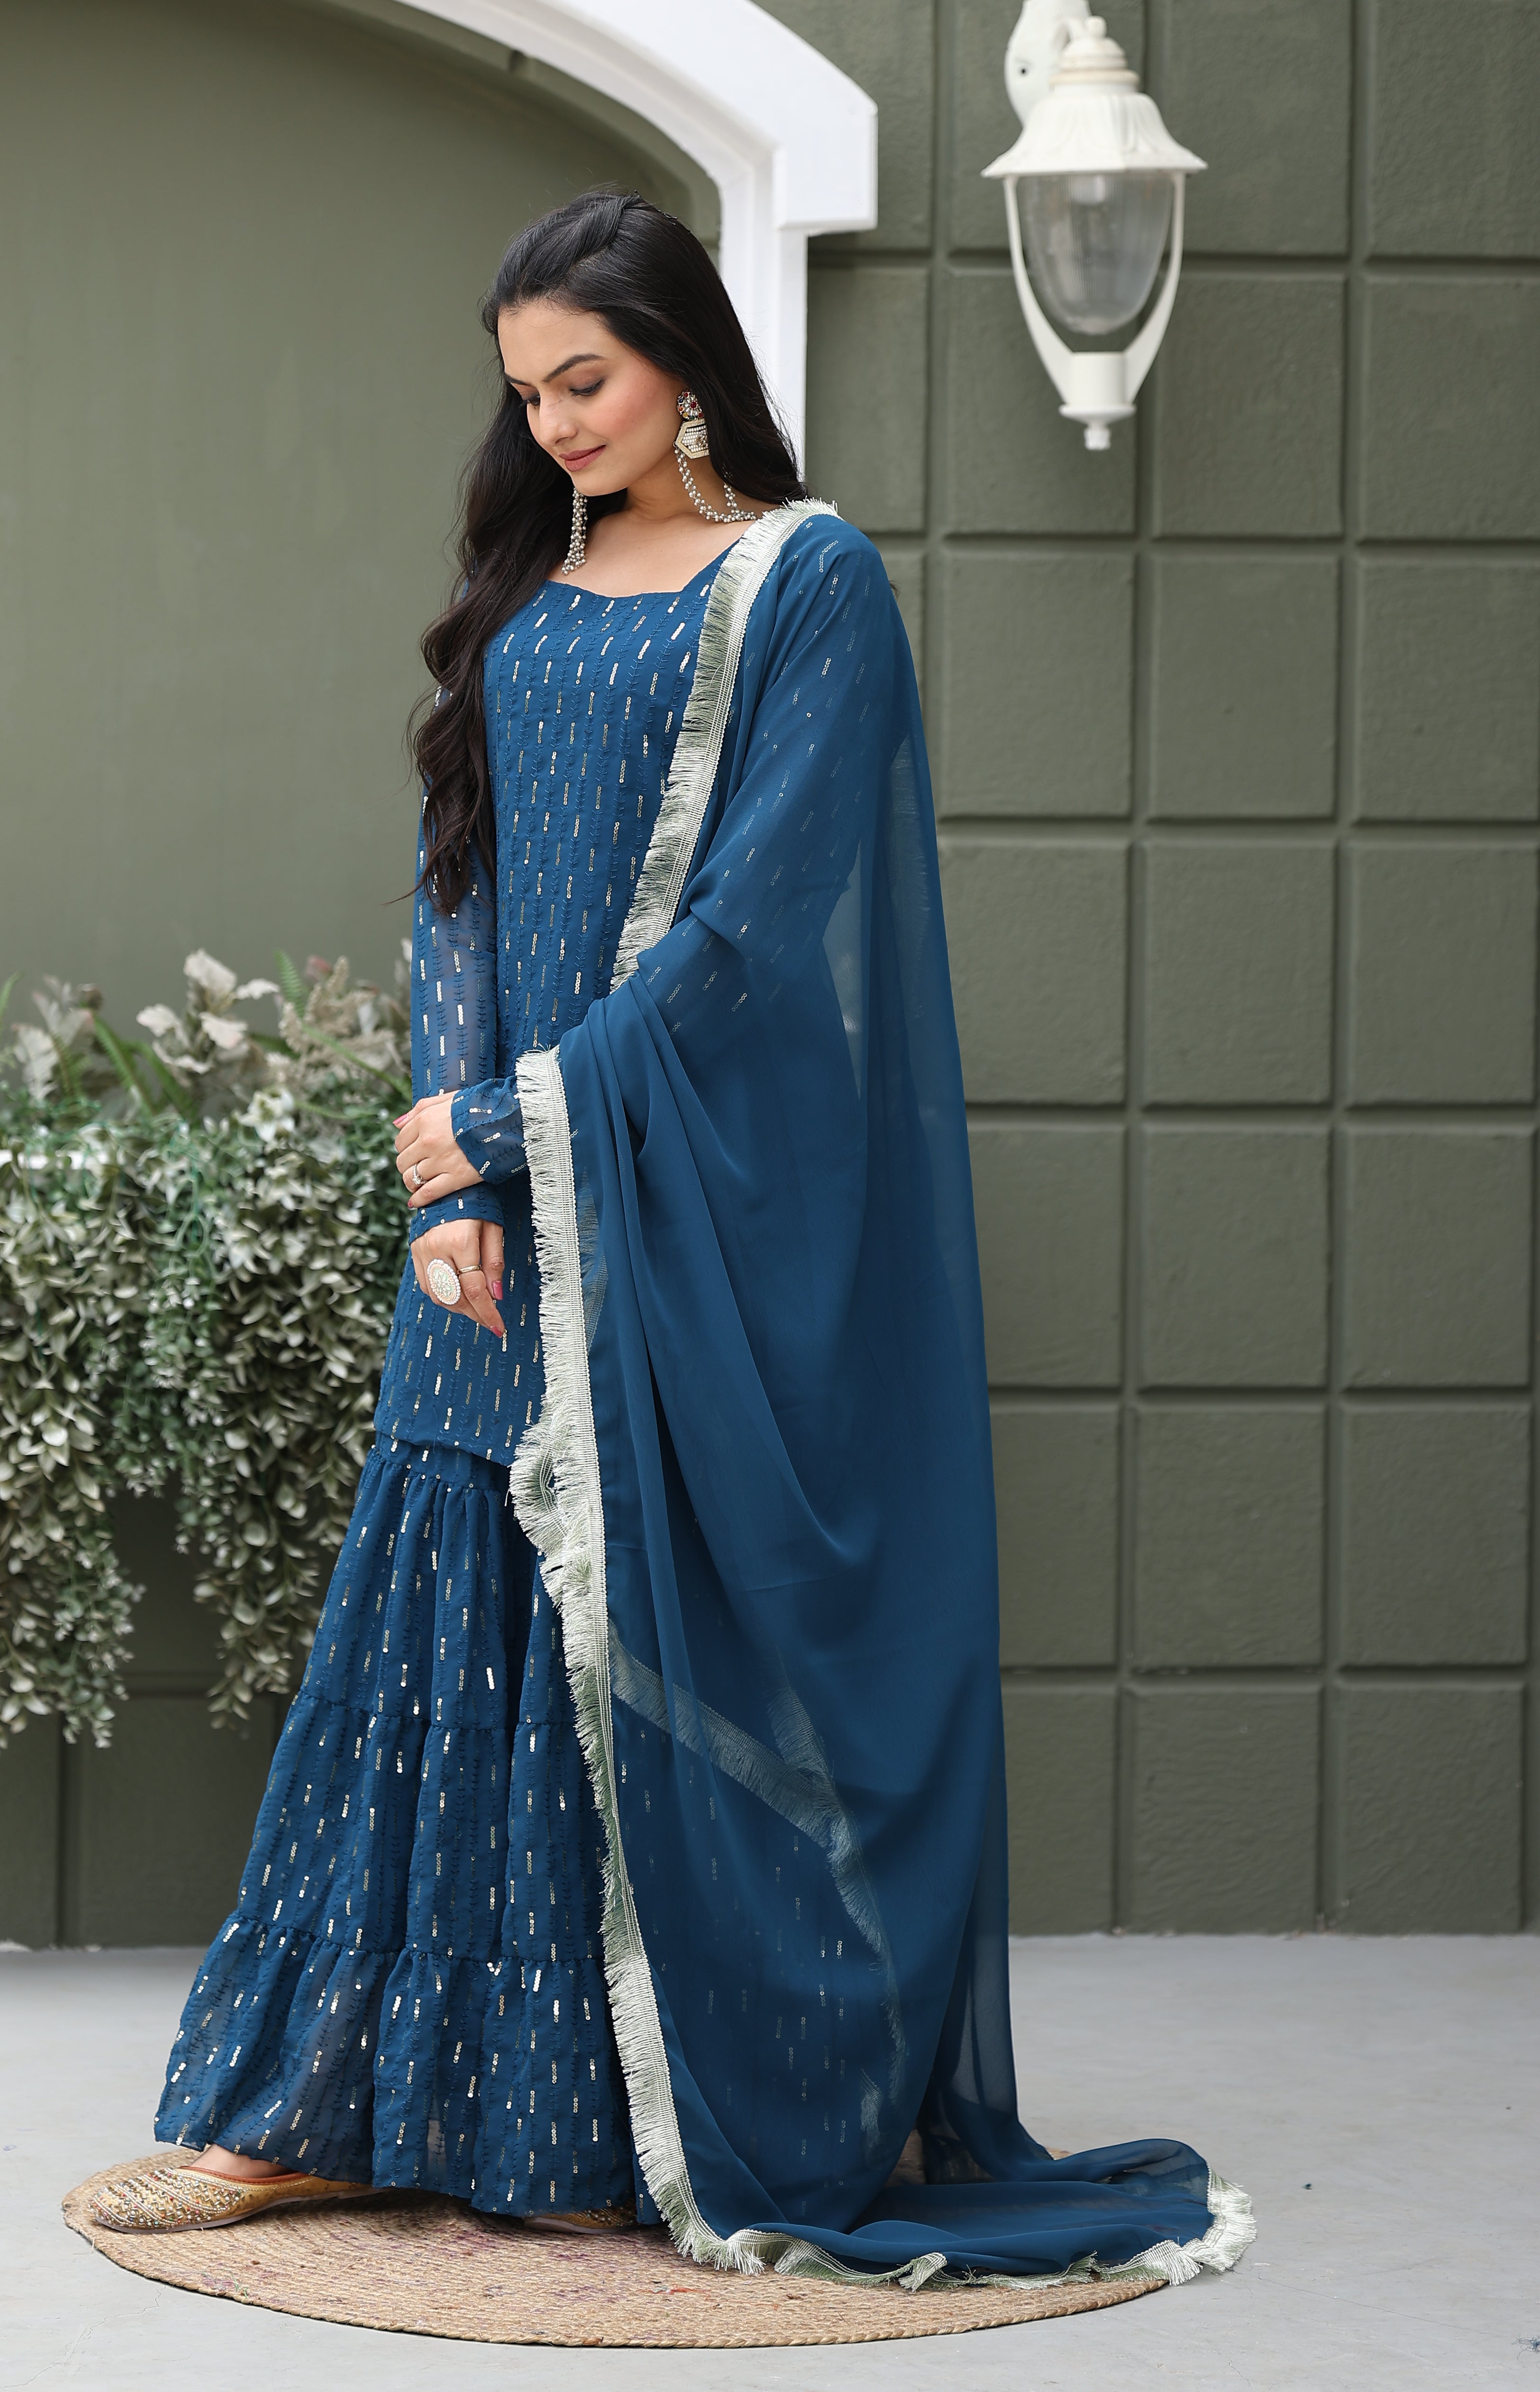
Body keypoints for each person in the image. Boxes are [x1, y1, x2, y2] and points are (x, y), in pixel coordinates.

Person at [91, 191, 1251, 2291]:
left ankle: (606, 2123)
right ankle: (310, 2118)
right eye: (525, 392)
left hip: (677, 1186)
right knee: (448, 1603)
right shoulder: (530, 582)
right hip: (506, 1184)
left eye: (585, 381)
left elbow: (749, 936)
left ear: (684, 356)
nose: (550, 427)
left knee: (658, 1622)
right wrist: (446, 1173)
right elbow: (460, 874)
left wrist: (529, 1130)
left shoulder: (806, 587)